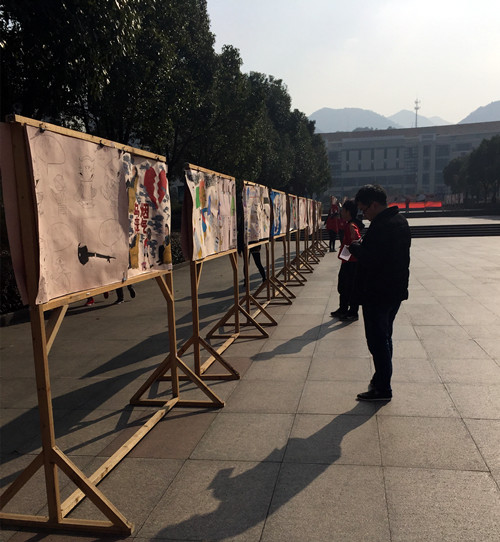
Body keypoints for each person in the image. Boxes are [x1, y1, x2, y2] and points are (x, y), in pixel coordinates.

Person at [348, 184, 411, 402]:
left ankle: (383, 387)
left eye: (364, 210)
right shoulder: (400, 221)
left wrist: (357, 248)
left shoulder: (383, 226)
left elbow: (373, 260)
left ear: (374, 204)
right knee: (385, 336)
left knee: (377, 340)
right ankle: (380, 379)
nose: (363, 215)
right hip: (395, 290)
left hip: (378, 292)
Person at [330, 199, 364, 321]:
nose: (341, 212)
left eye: (343, 210)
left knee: (350, 286)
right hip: (346, 260)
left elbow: (357, 241)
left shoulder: (352, 225)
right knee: (343, 286)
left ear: (348, 212)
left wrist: (352, 246)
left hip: (352, 262)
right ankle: (343, 308)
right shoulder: (349, 223)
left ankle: (353, 312)